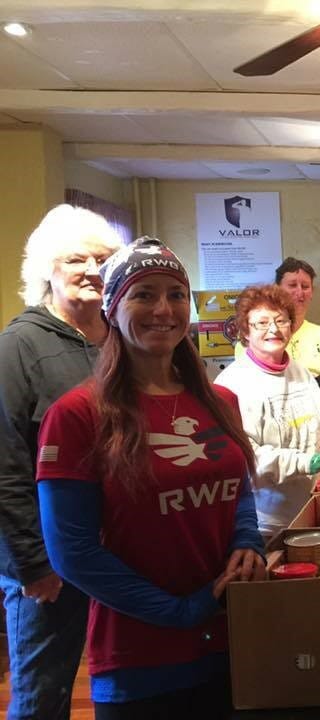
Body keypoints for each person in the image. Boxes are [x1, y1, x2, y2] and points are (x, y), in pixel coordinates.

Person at [35, 237, 266, 718]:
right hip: (141, 662)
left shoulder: (220, 403)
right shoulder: (77, 414)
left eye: (175, 294)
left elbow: (237, 488)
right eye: (144, 294)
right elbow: (72, 552)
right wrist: (179, 612)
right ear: (113, 309)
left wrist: (248, 542)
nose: (163, 309)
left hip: (235, 640)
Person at [0, 204, 121, 720]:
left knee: (120, 677)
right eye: (77, 259)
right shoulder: (17, 348)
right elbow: (4, 467)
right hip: (48, 562)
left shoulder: (121, 338)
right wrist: (31, 565)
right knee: (43, 695)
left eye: (103, 259)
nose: (93, 270)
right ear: (47, 268)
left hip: (118, 552)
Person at [216, 284, 320, 537]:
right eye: (262, 323)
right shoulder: (232, 385)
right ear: (245, 330)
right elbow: (244, 459)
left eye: (281, 321)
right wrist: (306, 462)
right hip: (263, 525)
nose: (274, 330)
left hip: (309, 511)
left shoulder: (300, 373)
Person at [235, 257, 320, 399]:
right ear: (277, 289)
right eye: (292, 285)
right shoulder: (254, 337)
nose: (299, 292)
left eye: (305, 286)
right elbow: (257, 387)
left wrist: (285, 393)